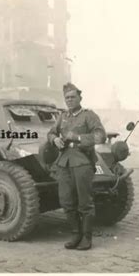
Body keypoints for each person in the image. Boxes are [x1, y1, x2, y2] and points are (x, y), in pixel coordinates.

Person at [48, 82, 106, 250]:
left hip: (82, 162)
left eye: (73, 97)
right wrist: (55, 139)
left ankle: (87, 238)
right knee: (66, 201)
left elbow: (100, 136)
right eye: (67, 98)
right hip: (64, 162)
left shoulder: (89, 115)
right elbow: (51, 132)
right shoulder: (62, 116)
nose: (70, 100)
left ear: (80, 98)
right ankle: (75, 234)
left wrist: (79, 138)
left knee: (84, 202)